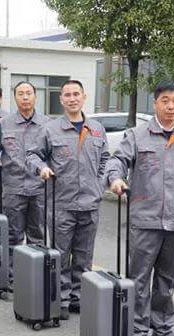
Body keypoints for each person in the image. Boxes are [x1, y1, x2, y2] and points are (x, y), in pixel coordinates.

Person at [106, 81, 174, 336]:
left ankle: (162, 330)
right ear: (155, 104)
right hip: (145, 220)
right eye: (165, 100)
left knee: (167, 279)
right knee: (139, 279)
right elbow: (117, 161)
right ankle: (137, 331)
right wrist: (116, 178)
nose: (171, 105)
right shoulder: (138, 135)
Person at [26, 79, 109, 320]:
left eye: (76, 94)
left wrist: (99, 183)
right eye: (67, 95)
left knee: (85, 255)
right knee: (61, 254)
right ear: (61, 100)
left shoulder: (96, 128)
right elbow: (31, 155)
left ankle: (79, 297)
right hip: (61, 203)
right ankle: (60, 299)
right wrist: (41, 168)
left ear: (84, 97)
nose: (72, 99)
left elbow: (105, 158)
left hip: (90, 203)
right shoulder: (50, 129)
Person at [0, 81, 51, 283]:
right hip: (13, 187)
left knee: (37, 235)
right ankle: (13, 278)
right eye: (20, 93)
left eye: (29, 93)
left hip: (40, 188)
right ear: (15, 98)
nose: (25, 97)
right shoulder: (5, 123)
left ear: (35, 96)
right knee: (13, 236)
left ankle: (37, 276)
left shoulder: (48, 124)